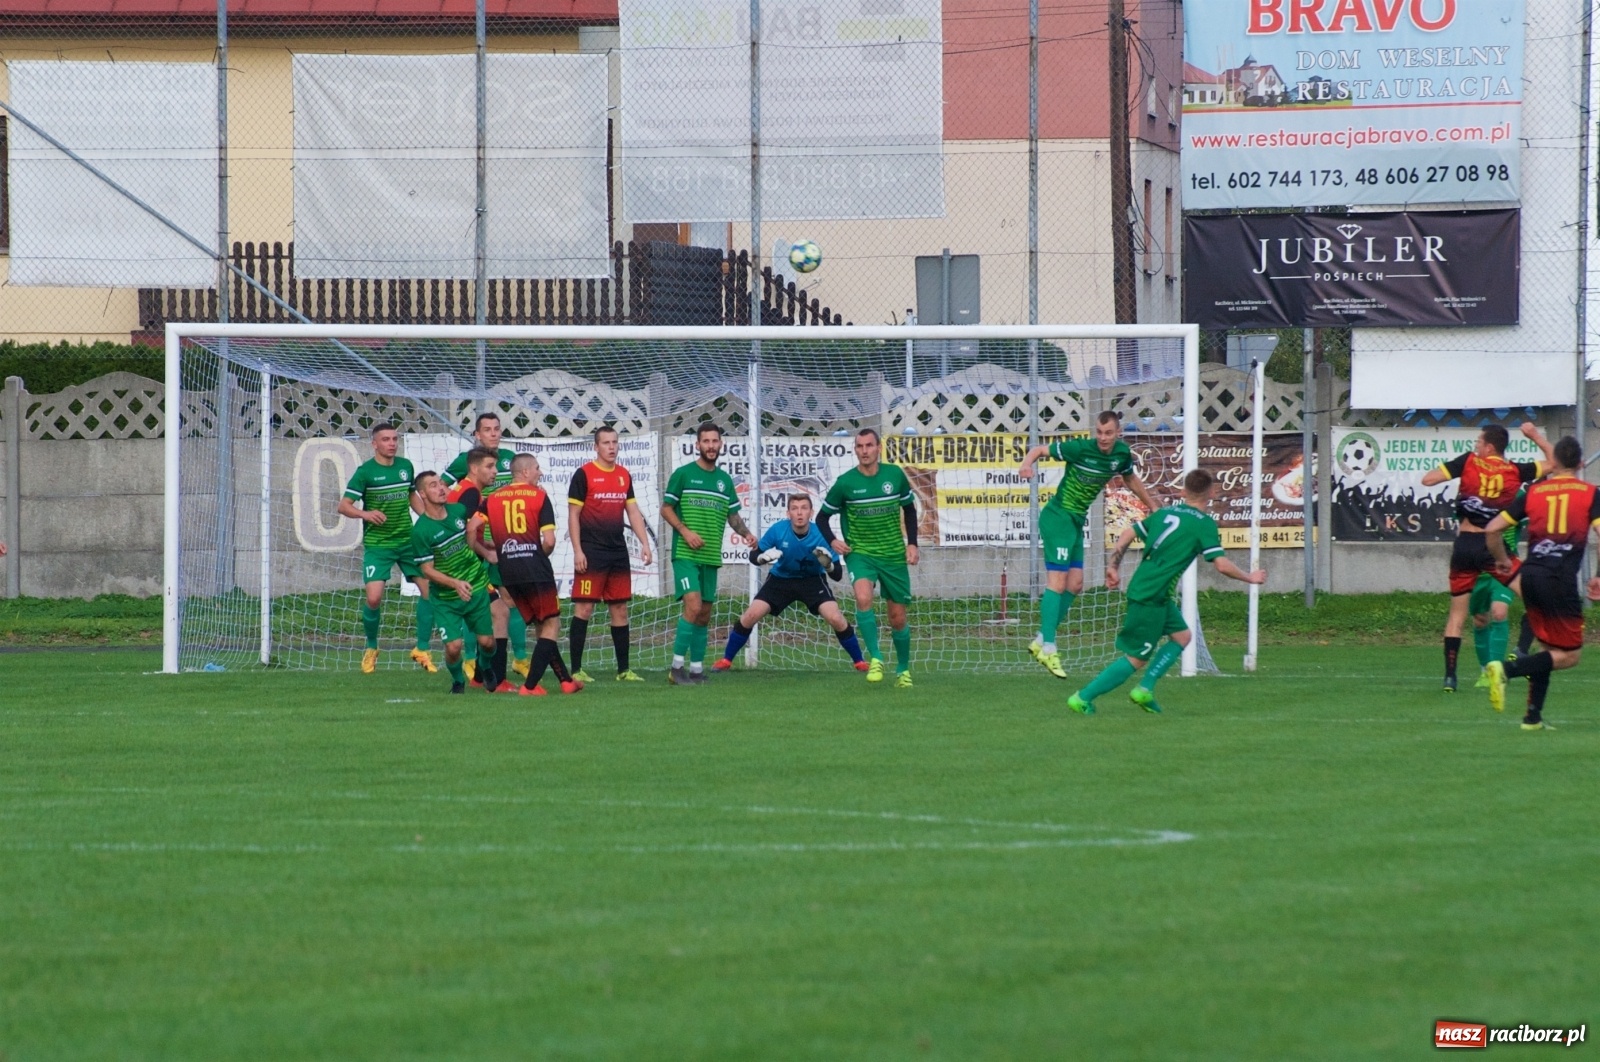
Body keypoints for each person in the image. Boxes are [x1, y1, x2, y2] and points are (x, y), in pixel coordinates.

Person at [1067, 469, 1266, 715]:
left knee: (1182, 636)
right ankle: (1082, 697)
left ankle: (1146, 689)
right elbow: (1221, 564)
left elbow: (1128, 532)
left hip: (1154, 592)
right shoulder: (1204, 524)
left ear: (1183, 491)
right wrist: (1251, 577)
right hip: (1150, 595)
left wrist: (1113, 566)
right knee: (1137, 657)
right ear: (1212, 493)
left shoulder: (1164, 513)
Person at [1018, 410, 1159, 679]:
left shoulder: (1121, 454)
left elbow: (1129, 478)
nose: (1102, 438)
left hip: (1075, 522)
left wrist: (1152, 504)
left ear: (1118, 433)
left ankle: (1040, 639)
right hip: (1058, 517)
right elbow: (1038, 450)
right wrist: (1026, 464)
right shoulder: (1080, 448)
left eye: (1108, 433)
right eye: (1099, 432)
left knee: (1075, 585)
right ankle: (1048, 646)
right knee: (1057, 583)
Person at [1420, 422, 1553, 692]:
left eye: (1478, 442)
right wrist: (1535, 436)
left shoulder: (1468, 462)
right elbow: (1554, 462)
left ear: (1489, 446)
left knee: (1457, 616)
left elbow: (1428, 480)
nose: (1475, 446)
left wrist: (1455, 477)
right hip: (1492, 545)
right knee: (1533, 597)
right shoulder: (1515, 471)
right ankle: (1529, 656)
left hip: (1464, 545)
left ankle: (1450, 677)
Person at [1482, 436, 1600, 730]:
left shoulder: (1535, 491)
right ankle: (1506, 670)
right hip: (1559, 580)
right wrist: (1598, 575)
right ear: (1581, 464)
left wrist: (1502, 560)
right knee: (1570, 655)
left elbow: (1492, 529)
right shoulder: (1590, 493)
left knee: (1547, 648)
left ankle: (1532, 717)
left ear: (1555, 462)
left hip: (1531, 577)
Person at [714, 493, 867, 672]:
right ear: (788, 513)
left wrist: (828, 566)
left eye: (804, 508)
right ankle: (726, 660)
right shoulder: (778, 530)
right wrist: (763, 558)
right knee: (750, 615)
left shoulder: (821, 534)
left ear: (811, 512)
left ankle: (860, 662)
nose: (799, 513)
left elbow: (838, 575)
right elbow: (754, 556)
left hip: (812, 581)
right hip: (781, 580)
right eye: (794, 509)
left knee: (835, 618)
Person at [818, 428, 919, 687]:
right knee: (863, 597)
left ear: (878, 448)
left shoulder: (894, 476)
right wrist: (833, 541)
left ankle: (903, 669)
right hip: (860, 553)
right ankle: (876, 658)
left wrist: (913, 544)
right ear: (855, 450)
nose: (864, 451)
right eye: (860, 446)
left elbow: (909, 509)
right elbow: (821, 517)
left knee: (897, 617)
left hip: (893, 555)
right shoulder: (845, 483)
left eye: (869, 445)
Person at [336, 422, 436, 674]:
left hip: (407, 541)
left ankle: (422, 648)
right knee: (374, 598)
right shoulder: (365, 472)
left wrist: (425, 520)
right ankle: (371, 647)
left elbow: (412, 494)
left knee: (430, 590)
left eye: (394, 439)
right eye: (386, 439)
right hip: (379, 545)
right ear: (374, 444)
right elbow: (344, 505)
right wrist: (366, 514)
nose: (391, 443)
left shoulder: (405, 467)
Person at [660, 423, 756, 685]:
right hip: (685, 554)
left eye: (715, 441)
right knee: (692, 605)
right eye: (706, 441)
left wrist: (746, 533)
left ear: (720, 444)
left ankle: (696, 670)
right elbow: (666, 509)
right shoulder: (683, 474)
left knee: (704, 614)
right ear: (698, 445)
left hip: (711, 557)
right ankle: (676, 668)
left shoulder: (724, 481)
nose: (711, 446)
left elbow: (732, 515)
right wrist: (685, 531)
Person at [483, 453, 582, 696]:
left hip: (507, 570)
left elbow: (473, 528)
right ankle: (529, 686)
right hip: (534, 569)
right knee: (550, 625)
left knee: (541, 622)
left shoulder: (492, 498)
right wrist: (537, 557)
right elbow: (549, 541)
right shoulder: (539, 496)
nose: (540, 473)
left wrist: (487, 551)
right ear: (525, 472)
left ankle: (566, 681)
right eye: (537, 468)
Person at [442, 411, 531, 676]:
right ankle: (471, 659)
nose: (493, 433)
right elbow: (440, 491)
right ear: (477, 435)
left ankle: (520, 658)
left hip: (505, 542)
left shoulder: (509, 461)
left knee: (512, 599)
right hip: (478, 543)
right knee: (477, 601)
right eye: (487, 429)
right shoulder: (466, 463)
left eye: (496, 428)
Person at [567, 425, 654, 682]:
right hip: (591, 551)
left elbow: (633, 511)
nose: (612, 447)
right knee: (584, 609)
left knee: (620, 610)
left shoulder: (624, 475)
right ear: (596, 446)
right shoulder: (583, 474)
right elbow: (573, 515)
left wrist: (645, 543)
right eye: (606, 443)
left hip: (617, 552)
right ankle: (575, 670)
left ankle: (623, 670)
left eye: (615, 442)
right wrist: (578, 550)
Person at [409, 471, 500, 694]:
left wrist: (485, 547)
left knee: (488, 642)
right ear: (422, 494)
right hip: (446, 597)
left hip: (476, 585)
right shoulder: (421, 530)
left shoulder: (458, 511)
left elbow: (471, 536)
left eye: (441, 483)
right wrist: (455, 583)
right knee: (453, 647)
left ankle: (485, 666)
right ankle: (458, 681)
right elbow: (427, 570)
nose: (441, 488)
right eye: (433, 485)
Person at [446, 447, 515, 691]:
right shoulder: (471, 494)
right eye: (489, 467)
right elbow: (465, 531)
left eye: (495, 466)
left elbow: (462, 529)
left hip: (458, 566)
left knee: (494, 614)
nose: (495, 472)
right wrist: (486, 554)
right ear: (474, 468)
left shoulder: (465, 489)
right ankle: (497, 679)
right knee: (500, 613)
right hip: (463, 570)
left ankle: (478, 678)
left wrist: (484, 544)